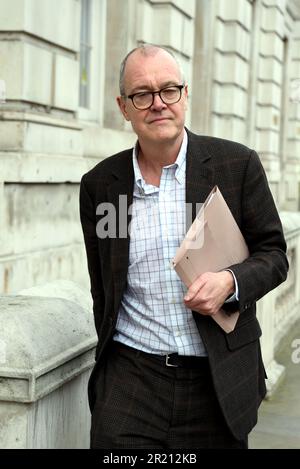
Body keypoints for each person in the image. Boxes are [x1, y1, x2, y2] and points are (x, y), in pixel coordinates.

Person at [79, 44, 288, 449]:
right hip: (131, 381)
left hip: (218, 379)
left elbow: (275, 255)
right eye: (142, 94)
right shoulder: (102, 186)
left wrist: (231, 282)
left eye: (169, 90)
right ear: (124, 107)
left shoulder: (236, 165)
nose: (158, 104)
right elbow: (102, 285)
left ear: (185, 95)